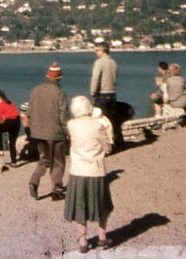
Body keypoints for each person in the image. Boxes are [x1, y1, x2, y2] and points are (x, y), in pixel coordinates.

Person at [64, 95, 113, 253]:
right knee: (101, 205)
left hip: (77, 171)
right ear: (88, 108)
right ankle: (102, 237)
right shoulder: (98, 125)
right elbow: (108, 147)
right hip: (96, 170)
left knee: (80, 206)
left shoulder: (71, 125)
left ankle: (83, 242)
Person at [27, 62, 68, 201]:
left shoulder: (35, 90)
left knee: (44, 159)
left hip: (38, 133)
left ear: (47, 76)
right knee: (58, 162)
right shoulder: (59, 93)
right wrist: (68, 133)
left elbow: (29, 112)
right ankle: (56, 190)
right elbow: (63, 116)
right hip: (56, 133)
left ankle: (34, 180)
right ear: (59, 78)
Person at [89, 41, 119, 142]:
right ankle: (112, 143)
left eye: (97, 50)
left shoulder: (99, 62)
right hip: (112, 94)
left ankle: (101, 144)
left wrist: (93, 92)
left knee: (98, 121)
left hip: (102, 94)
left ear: (102, 50)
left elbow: (95, 78)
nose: (95, 52)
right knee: (111, 121)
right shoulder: (113, 62)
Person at [0, 90, 21, 165]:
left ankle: (0, 150)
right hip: (17, 122)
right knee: (12, 143)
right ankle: (14, 162)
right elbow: (15, 112)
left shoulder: (0, 104)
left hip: (10, 122)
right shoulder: (10, 102)